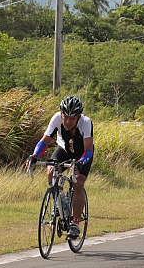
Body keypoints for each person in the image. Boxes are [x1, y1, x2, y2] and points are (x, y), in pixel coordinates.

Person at [28, 96, 94, 240]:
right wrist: (34, 156)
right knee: (51, 170)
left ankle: (75, 223)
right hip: (64, 149)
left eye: (72, 118)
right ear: (61, 114)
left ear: (78, 117)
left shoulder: (86, 123)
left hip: (82, 154)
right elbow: (44, 141)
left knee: (78, 183)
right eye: (65, 117)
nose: (68, 122)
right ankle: (61, 202)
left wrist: (80, 163)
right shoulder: (56, 118)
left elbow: (88, 150)